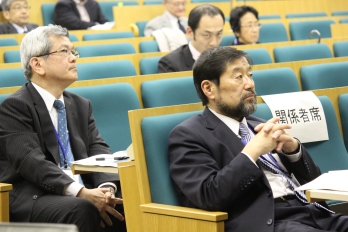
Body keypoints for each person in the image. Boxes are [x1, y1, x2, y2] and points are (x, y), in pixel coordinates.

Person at [168, 46, 348, 232]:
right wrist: (252, 151)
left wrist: (293, 151)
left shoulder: (259, 125)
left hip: (312, 212)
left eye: (250, 75)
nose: (250, 84)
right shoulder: (188, 135)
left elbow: (313, 182)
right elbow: (209, 196)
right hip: (268, 222)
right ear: (209, 89)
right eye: (239, 77)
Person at [0, 25, 126, 232]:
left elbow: (98, 149)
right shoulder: (15, 107)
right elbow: (31, 162)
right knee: (82, 208)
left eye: (73, 51)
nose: (74, 58)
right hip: (36, 194)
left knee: (122, 202)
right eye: (64, 51)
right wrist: (80, 192)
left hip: (80, 188)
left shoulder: (80, 104)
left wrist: (106, 188)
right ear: (38, 64)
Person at [157, 4, 224, 73]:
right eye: (207, 35)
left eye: (219, 34)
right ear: (190, 32)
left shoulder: (226, 61)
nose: (214, 42)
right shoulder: (170, 64)